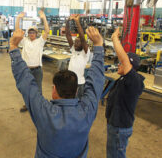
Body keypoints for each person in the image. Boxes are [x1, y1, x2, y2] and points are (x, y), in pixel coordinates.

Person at [9, 27, 105, 158]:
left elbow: (27, 84)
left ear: (54, 90)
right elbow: (96, 82)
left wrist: (14, 46)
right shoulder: (87, 111)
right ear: (76, 90)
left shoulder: (44, 111)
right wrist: (99, 46)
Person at [105, 28, 145, 158]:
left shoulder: (134, 81)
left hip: (119, 128)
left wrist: (115, 39)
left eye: (122, 63)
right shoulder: (123, 79)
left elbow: (125, 61)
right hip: (115, 125)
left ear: (130, 67)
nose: (118, 65)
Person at [15, 10, 50, 112]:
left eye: (33, 32)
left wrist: (44, 18)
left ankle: (39, 106)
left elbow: (47, 31)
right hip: (26, 70)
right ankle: (27, 104)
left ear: (36, 33)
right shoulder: (24, 41)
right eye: (30, 32)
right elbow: (17, 31)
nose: (31, 34)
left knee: (38, 89)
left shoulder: (40, 41)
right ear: (28, 33)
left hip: (37, 70)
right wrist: (18, 18)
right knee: (26, 89)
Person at [66, 14, 90, 99]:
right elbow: (68, 35)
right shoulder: (73, 50)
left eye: (78, 42)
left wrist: (77, 21)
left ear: (83, 44)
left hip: (79, 83)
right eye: (75, 42)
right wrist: (67, 21)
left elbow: (82, 38)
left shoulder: (85, 53)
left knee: (78, 102)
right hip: (69, 82)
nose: (75, 44)